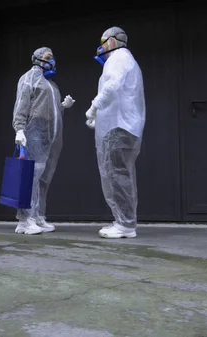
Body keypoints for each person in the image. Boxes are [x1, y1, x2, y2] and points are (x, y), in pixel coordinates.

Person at [85, 27, 146, 239]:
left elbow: (112, 87)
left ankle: (125, 224)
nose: (101, 46)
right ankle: (124, 220)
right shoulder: (127, 59)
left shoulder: (118, 58)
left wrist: (94, 107)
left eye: (103, 41)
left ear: (112, 41)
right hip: (123, 125)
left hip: (119, 126)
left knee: (117, 174)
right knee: (119, 173)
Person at [12, 47, 75, 235]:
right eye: (48, 57)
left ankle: (38, 216)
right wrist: (19, 129)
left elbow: (51, 112)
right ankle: (25, 220)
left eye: (53, 57)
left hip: (50, 137)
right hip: (33, 133)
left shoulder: (51, 85)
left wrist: (63, 106)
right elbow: (21, 105)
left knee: (43, 178)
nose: (52, 61)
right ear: (37, 59)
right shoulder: (28, 79)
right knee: (31, 175)